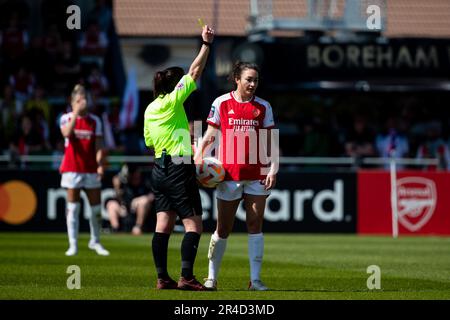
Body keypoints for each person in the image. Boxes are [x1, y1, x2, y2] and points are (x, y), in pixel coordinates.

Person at [143, 24, 215, 290]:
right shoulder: (174, 102)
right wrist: (206, 44)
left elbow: (149, 142)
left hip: (158, 168)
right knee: (194, 224)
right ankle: (186, 276)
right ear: (176, 86)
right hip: (178, 166)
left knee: (163, 224)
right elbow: (195, 71)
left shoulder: (150, 109)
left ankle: (162, 277)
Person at [195, 61, 278, 291]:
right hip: (228, 175)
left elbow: (271, 140)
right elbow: (211, 134)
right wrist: (199, 158)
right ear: (237, 79)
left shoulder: (263, 106)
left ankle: (256, 280)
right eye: (249, 79)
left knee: (255, 224)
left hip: (256, 174)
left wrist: (273, 168)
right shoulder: (221, 102)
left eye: (256, 80)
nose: (252, 84)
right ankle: (211, 278)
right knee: (223, 228)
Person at [59, 84, 109, 256]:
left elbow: (98, 145)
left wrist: (101, 164)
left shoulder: (95, 120)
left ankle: (95, 241)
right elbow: (66, 134)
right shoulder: (66, 118)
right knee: (73, 208)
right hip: (72, 169)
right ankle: (73, 244)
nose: (83, 102)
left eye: (84, 99)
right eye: (79, 100)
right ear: (73, 102)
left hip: (90, 169)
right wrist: (75, 113)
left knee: (95, 209)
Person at [106, 164, 154, 235]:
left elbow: (153, 195)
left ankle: (138, 227)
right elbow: (118, 197)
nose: (135, 175)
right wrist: (117, 189)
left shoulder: (146, 181)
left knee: (143, 202)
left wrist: (139, 199)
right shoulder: (124, 184)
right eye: (132, 173)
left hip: (140, 212)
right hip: (126, 211)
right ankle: (115, 229)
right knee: (111, 204)